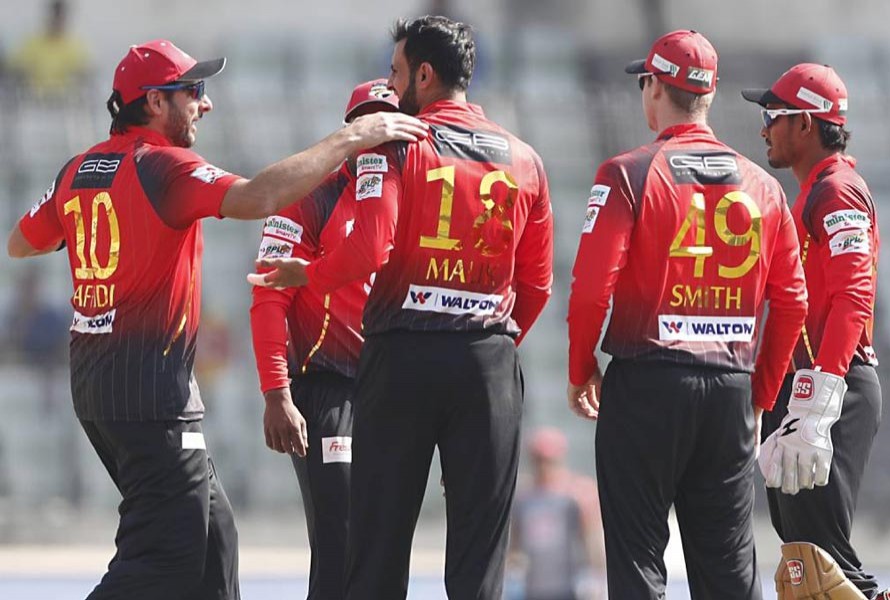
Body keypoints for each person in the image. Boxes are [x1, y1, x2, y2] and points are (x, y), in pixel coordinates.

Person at [5, 38, 425, 600]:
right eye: (193, 91)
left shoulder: (78, 169)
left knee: (214, 536)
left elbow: (21, 244)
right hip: (150, 391)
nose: (205, 104)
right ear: (154, 102)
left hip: (98, 384)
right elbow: (259, 197)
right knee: (168, 559)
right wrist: (354, 136)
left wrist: (101, 235)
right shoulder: (165, 167)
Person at [252, 16, 554, 599]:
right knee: (479, 555)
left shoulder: (392, 144)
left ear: (424, 74)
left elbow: (370, 246)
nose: (391, 89)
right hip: (487, 360)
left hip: (400, 357)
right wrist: (486, 348)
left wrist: (310, 274)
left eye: (395, 72)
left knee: (377, 547)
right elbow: (536, 286)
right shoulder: (527, 159)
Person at [566, 30, 808, 599]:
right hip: (729, 388)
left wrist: (581, 369)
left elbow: (590, 288)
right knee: (728, 568)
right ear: (708, 94)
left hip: (646, 383)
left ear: (653, 87)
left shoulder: (628, 172)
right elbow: (793, 301)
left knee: (637, 562)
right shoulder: (766, 187)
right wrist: (760, 395)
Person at [743, 64, 890, 600]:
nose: (764, 128)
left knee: (825, 565)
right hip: (810, 385)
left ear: (805, 124)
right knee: (803, 567)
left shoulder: (838, 192)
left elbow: (854, 297)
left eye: (772, 116)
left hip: (838, 386)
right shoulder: (814, 192)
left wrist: (821, 398)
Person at [248, 78, 399, 600]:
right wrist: (277, 392)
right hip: (330, 389)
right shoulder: (310, 198)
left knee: (383, 549)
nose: (380, 137)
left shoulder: (423, 195)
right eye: (368, 124)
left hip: (397, 389)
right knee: (341, 541)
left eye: (390, 124)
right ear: (350, 132)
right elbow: (268, 295)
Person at [509, 427, 605, 600]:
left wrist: (594, 579)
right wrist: (512, 576)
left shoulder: (576, 494)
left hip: (569, 587)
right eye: (538, 460)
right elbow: (514, 543)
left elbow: (592, 540)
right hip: (533, 588)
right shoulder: (523, 498)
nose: (543, 467)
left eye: (548, 461)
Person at [7, 0, 91, 100]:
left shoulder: (77, 48)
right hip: (34, 101)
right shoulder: (32, 45)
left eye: (60, 17)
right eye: (54, 16)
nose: (56, 21)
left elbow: (86, 76)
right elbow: (11, 68)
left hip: (64, 103)